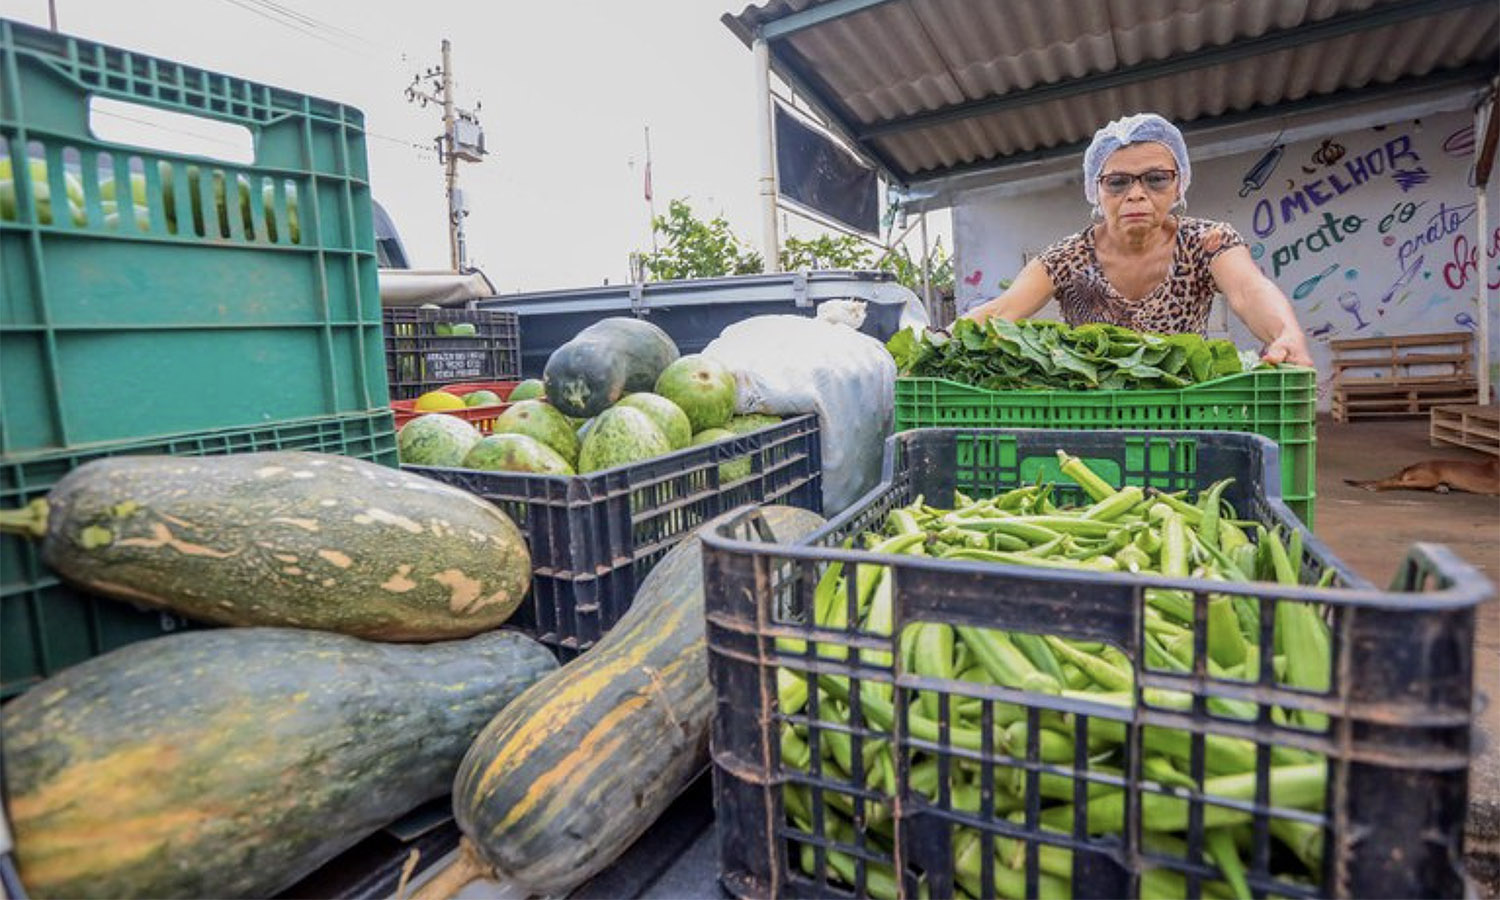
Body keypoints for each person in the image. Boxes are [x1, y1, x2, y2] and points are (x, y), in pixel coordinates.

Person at [962, 113, 1314, 367]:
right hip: (1097, 416)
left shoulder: (1205, 242)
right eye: (1118, 182)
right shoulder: (1066, 259)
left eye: (1156, 179)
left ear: (1179, 184)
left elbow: (1248, 290)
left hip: (1184, 412)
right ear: (1095, 190)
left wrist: (1286, 333)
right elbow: (1003, 309)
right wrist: (936, 341)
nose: (1136, 194)